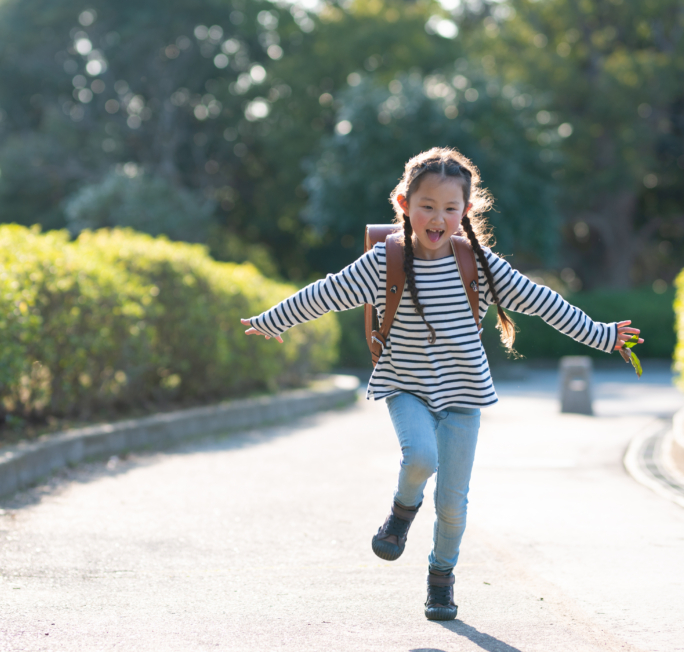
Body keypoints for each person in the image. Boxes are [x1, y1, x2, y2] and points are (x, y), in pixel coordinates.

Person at [240, 147, 642, 621]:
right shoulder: (383, 263)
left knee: (453, 505)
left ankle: (441, 578)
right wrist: (274, 319)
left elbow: (542, 301)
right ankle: (401, 512)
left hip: (463, 395)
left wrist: (602, 334)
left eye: (450, 208)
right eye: (427, 205)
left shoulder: (479, 265)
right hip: (405, 386)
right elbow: (327, 291)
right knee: (420, 459)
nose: (437, 218)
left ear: (465, 212)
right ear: (403, 203)